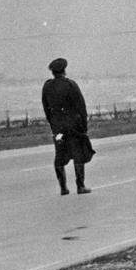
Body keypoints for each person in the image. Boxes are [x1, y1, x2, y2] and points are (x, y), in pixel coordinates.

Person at [41, 57, 95, 195]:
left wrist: (53, 124)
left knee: (59, 155)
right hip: (73, 128)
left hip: (58, 129)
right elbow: (81, 107)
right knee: (78, 154)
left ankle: (63, 188)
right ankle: (80, 186)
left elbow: (46, 109)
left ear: (52, 72)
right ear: (64, 71)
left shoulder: (47, 86)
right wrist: (84, 126)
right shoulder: (71, 85)